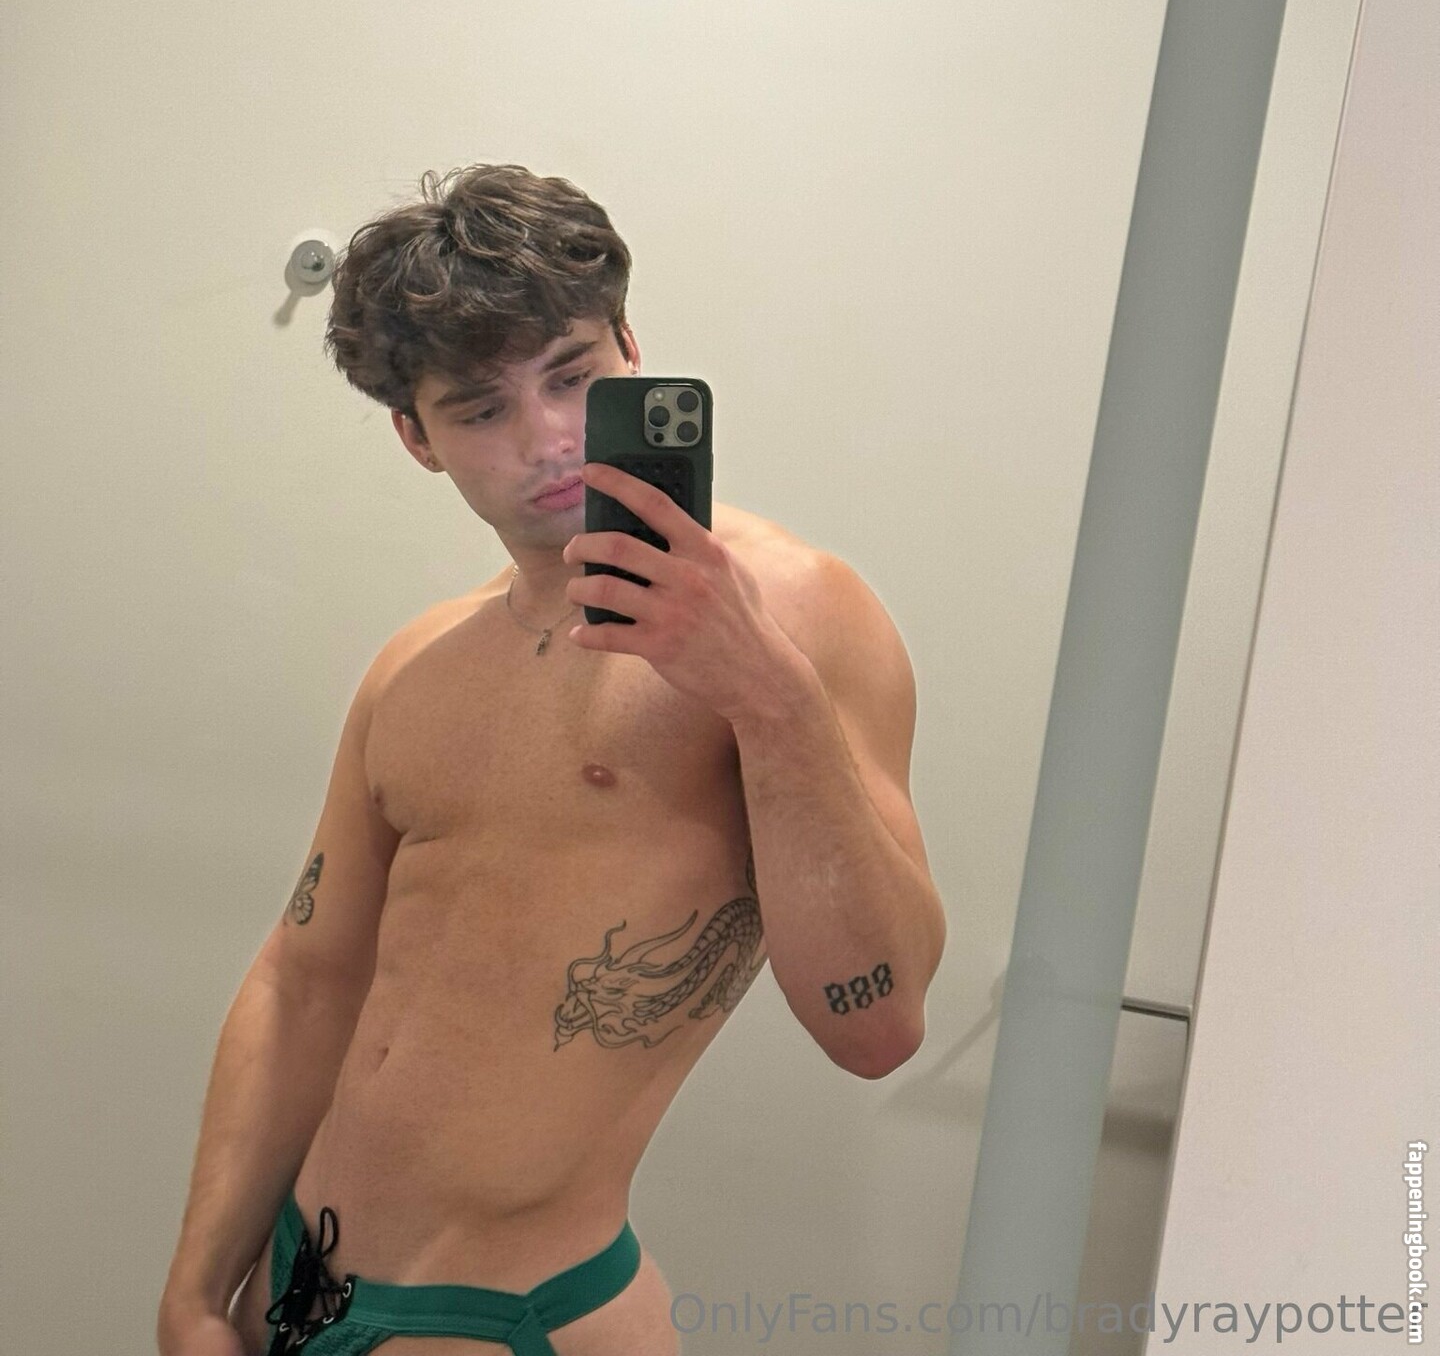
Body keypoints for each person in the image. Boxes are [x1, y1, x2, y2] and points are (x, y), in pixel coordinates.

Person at [157, 163, 946, 1356]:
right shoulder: (415, 666)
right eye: (482, 410)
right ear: (417, 438)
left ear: (631, 348)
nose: (549, 440)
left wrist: (768, 695)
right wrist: (193, 1289)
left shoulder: (797, 609)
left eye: (573, 377)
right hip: (294, 1286)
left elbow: (877, 1028)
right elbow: (305, 981)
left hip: (520, 1317)